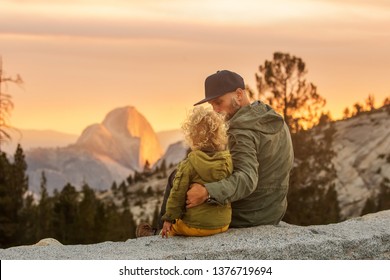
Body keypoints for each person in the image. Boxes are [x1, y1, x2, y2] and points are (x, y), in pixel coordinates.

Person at [136, 70, 293, 237]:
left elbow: (247, 179)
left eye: (219, 102)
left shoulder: (241, 132)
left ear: (239, 95)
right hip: (273, 211)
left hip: (247, 215)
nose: (216, 110)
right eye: (212, 105)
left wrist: (207, 192)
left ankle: (163, 233)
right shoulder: (271, 118)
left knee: (178, 176)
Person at [140, 106, 233, 238]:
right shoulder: (227, 161)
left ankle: (157, 234)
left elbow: (177, 194)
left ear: (192, 137)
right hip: (222, 225)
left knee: (175, 226)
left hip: (195, 226)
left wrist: (168, 219)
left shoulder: (188, 164)